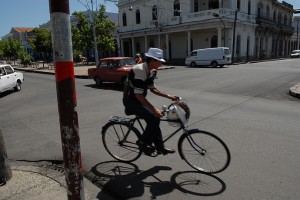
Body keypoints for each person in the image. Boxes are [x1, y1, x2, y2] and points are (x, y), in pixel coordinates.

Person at [123, 48, 177, 155]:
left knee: (155, 119)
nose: (161, 64)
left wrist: (169, 96)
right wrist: (154, 109)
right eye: (159, 61)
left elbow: (153, 89)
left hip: (139, 99)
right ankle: (142, 142)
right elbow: (138, 95)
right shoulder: (139, 70)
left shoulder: (151, 71)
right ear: (152, 60)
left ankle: (160, 147)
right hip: (131, 100)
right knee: (154, 118)